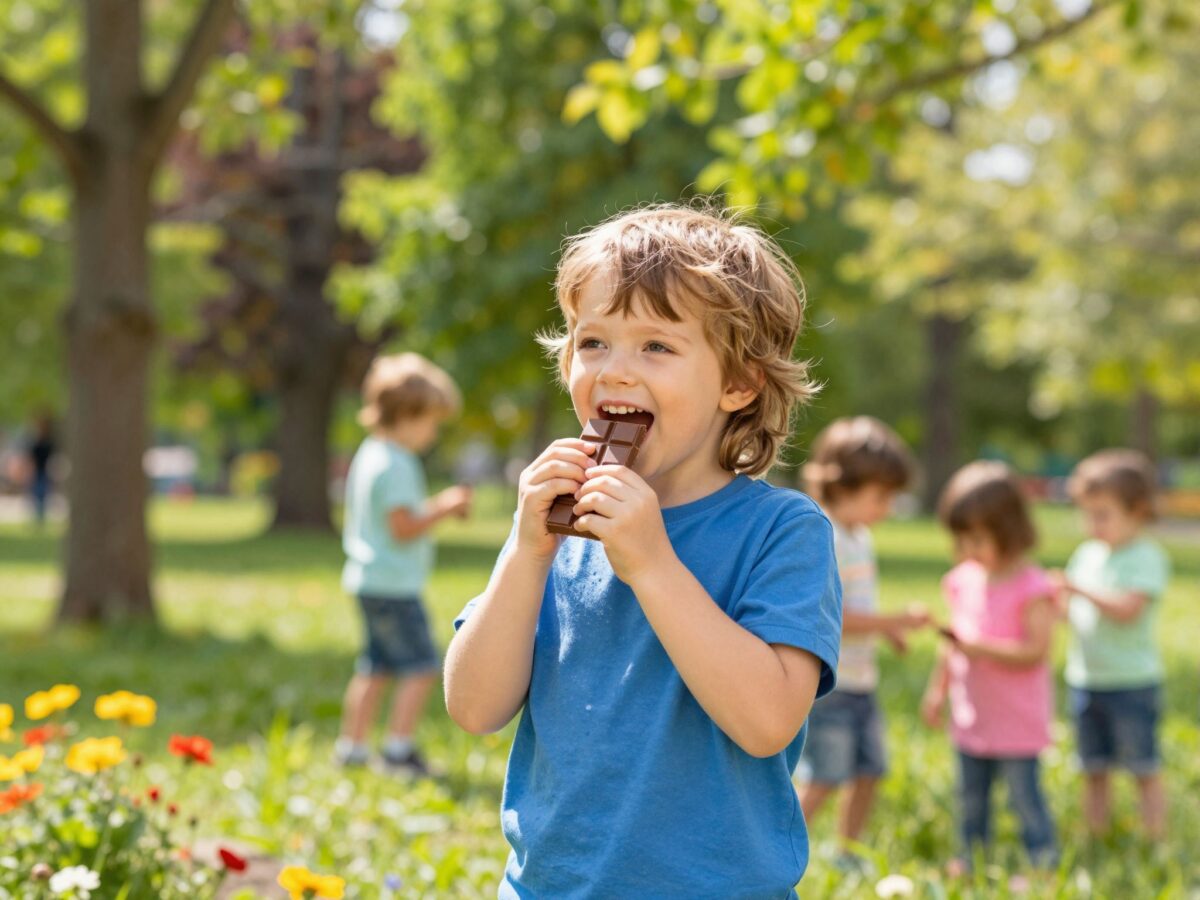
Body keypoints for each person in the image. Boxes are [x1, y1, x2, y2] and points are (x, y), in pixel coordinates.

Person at [444, 204, 843, 897]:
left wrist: (653, 565)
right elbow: (475, 708)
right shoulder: (557, 533)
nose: (616, 372)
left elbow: (767, 722)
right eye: (593, 342)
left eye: (656, 347)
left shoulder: (781, 531)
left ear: (738, 383)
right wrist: (526, 553)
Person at [797, 417, 929, 865]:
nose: (887, 508)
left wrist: (886, 629)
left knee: (869, 770)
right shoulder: (824, 535)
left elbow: (857, 609)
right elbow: (829, 618)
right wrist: (894, 619)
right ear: (842, 485)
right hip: (830, 686)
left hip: (862, 680)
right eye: (880, 497)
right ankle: (778, 844)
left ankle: (846, 853)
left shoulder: (860, 536)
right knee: (827, 775)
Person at [335, 353, 473, 774]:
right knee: (421, 667)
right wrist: (445, 507)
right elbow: (402, 527)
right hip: (393, 586)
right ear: (408, 415)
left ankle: (352, 749)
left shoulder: (370, 452)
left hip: (370, 580)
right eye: (431, 421)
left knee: (375, 668)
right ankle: (397, 751)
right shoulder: (396, 463)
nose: (433, 433)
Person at [921, 461, 1058, 873]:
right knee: (971, 797)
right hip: (972, 717)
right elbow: (952, 647)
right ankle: (971, 857)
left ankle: (1042, 862)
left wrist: (982, 649)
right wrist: (937, 689)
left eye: (977, 539)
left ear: (1010, 530)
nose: (968, 550)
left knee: (1023, 797)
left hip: (1016, 720)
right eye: (961, 539)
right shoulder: (963, 580)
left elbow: (1037, 650)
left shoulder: (1032, 587)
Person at [1053, 449, 1170, 839]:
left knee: (1143, 767)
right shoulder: (1086, 554)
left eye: (1102, 514)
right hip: (1086, 679)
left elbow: (1127, 610)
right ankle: (1096, 836)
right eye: (1087, 513)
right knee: (1092, 767)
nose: (1092, 524)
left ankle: (1157, 838)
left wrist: (1079, 590)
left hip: (1131, 682)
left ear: (1137, 511)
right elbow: (1068, 610)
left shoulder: (1146, 557)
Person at [26, 414, 56, 525]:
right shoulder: (36, 442)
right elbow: (31, 458)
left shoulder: (48, 442)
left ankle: (40, 518)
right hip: (38, 471)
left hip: (44, 471)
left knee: (42, 495)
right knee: (37, 495)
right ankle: (38, 518)